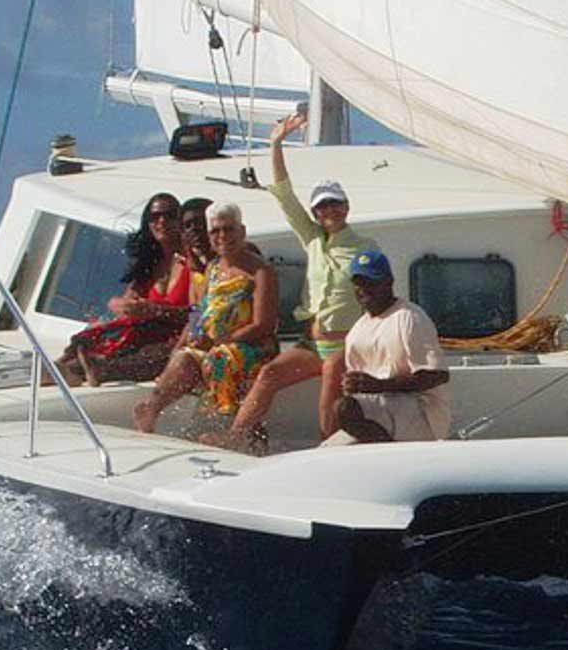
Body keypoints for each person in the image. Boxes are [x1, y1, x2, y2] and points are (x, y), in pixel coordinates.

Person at [221, 108, 379, 448]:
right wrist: (276, 144)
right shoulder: (312, 240)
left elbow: (379, 294)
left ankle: (330, 457)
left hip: (346, 346)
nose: (330, 211)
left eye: (335, 204)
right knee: (269, 375)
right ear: (315, 214)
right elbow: (283, 193)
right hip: (313, 343)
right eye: (322, 207)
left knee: (327, 407)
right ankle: (232, 440)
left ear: (346, 207)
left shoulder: (366, 247)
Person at [131, 203, 281, 434]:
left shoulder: (260, 271)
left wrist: (221, 341)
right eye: (215, 231)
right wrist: (182, 346)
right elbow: (198, 313)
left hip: (253, 346)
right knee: (184, 358)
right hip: (214, 343)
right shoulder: (212, 269)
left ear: (241, 231)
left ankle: (223, 428)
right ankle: (151, 409)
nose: (222, 236)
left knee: (220, 359)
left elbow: (264, 324)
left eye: (228, 229)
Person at [54, 193, 195, 385]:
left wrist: (155, 310)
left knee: (154, 354)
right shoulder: (149, 262)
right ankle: (70, 368)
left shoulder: (193, 261)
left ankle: (97, 369)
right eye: (154, 217)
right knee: (88, 345)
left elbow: (199, 313)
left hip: (176, 335)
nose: (161, 221)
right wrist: (122, 305)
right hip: (143, 332)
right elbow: (128, 299)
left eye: (169, 215)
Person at [334, 249, 452, 443]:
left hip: (422, 414)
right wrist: (353, 385)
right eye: (358, 282)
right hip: (380, 413)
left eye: (371, 282)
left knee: (345, 408)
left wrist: (380, 386)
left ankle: (389, 452)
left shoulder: (410, 317)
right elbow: (358, 393)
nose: (363, 288)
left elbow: (438, 375)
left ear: (388, 282)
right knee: (328, 450)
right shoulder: (356, 331)